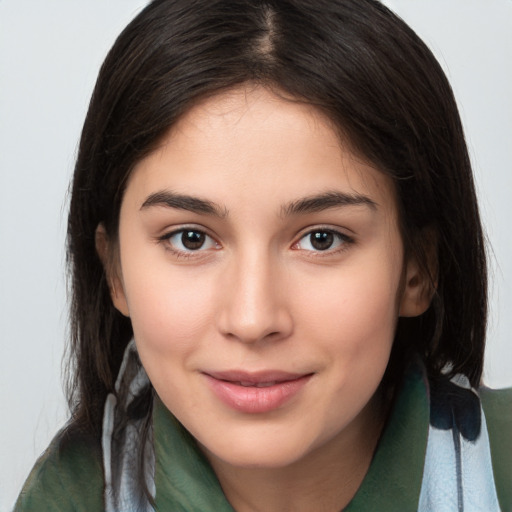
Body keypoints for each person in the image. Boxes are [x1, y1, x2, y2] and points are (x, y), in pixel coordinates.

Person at [14, 0, 511, 510]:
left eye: (322, 239)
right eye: (190, 238)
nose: (252, 320)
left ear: (417, 270)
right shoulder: (64, 498)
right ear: (114, 270)